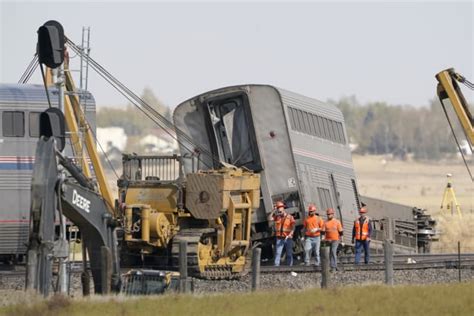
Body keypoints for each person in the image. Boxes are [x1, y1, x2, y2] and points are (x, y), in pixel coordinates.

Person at [268, 201, 296, 266]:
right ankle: (276, 267)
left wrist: (290, 234)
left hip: (288, 238)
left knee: (289, 254)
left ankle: (290, 267)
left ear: (283, 209)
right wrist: (273, 211)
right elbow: (269, 218)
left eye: (280, 210)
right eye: (278, 210)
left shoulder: (290, 217)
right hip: (279, 238)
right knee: (278, 253)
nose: (279, 212)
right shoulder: (277, 217)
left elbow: (293, 227)